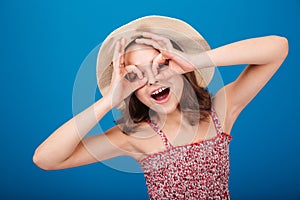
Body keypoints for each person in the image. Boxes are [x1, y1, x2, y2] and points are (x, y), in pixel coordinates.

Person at [33, 16, 288, 199]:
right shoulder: (132, 137)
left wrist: (196, 60)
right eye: (136, 76)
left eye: (161, 65)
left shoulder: (219, 112)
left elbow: (278, 47)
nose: (153, 79)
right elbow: (45, 159)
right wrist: (110, 99)